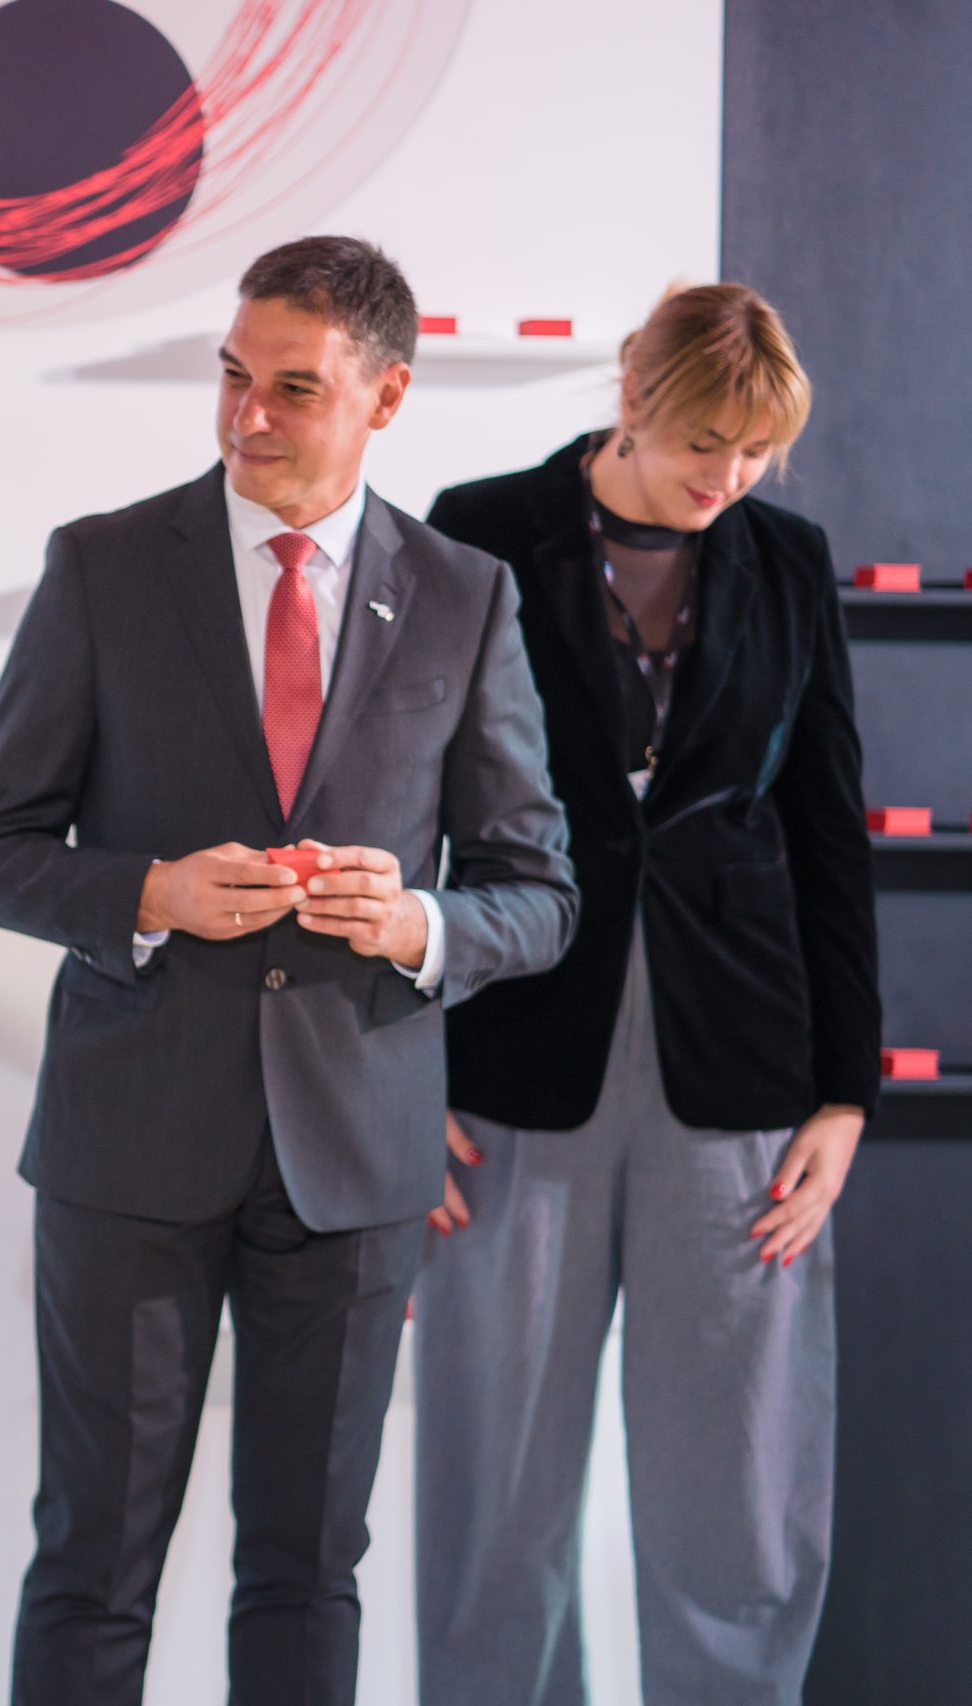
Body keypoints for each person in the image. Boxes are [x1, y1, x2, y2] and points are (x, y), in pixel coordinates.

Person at [0, 235, 579, 1706]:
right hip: (129, 1149)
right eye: (234, 376)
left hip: (356, 1163)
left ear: (387, 396)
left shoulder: (467, 594)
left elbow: (539, 893)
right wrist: (149, 893)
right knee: (93, 1564)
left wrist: (419, 926)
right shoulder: (104, 565)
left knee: (306, 1574)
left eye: (295, 388)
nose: (247, 416)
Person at [415, 284, 874, 1706]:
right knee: (495, 1492)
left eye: (755, 452)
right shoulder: (483, 529)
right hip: (511, 1058)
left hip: (738, 1070)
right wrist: (396, 1068)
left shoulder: (788, 561)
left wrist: (846, 1094)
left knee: (737, 1491)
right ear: (634, 395)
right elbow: (404, 806)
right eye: (703, 441)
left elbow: (826, 827)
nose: (726, 477)